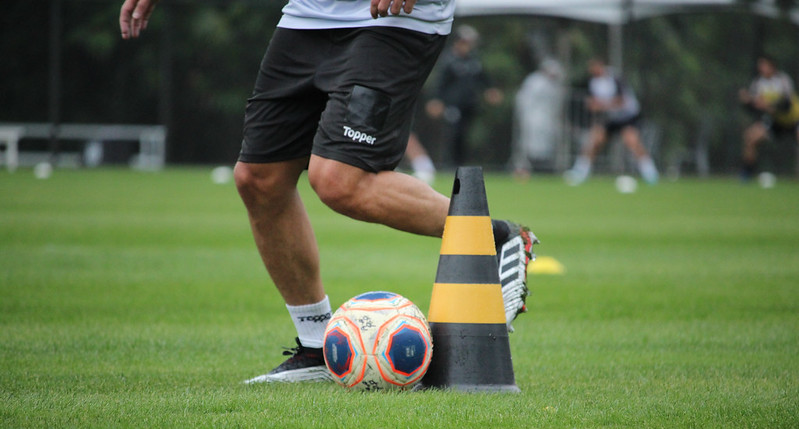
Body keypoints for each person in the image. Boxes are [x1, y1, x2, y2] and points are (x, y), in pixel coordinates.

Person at [120, 0, 538, 384]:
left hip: (393, 19)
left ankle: (495, 237)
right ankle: (317, 347)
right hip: (307, 16)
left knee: (340, 179)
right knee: (259, 179)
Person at [565, 57, 659, 185]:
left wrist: (601, 105)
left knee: (631, 141)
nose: (592, 70)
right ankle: (580, 172)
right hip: (610, 118)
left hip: (627, 116)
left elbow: (621, 101)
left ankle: (650, 173)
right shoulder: (593, 82)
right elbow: (593, 103)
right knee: (594, 142)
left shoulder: (615, 78)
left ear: (601, 65)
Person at [425, 24, 503, 168]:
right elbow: (440, 83)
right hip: (453, 105)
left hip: (470, 105)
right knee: (454, 134)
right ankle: (450, 166)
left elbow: (484, 79)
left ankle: (462, 165)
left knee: (465, 136)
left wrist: (491, 90)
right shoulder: (449, 61)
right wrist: (436, 101)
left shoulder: (474, 61)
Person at [738, 54, 799, 180]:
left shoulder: (783, 80)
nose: (761, 68)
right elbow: (753, 107)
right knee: (750, 137)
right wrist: (747, 101)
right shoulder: (758, 83)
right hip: (776, 121)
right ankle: (746, 174)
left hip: (793, 119)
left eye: (764, 65)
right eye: (760, 65)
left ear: (772, 66)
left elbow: (786, 104)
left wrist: (768, 105)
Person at [511, 58, 566, 180]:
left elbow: (557, 104)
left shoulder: (555, 85)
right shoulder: (534, 81)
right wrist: (524, 116)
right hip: (533, 117)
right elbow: (524, 99)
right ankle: (525, 167)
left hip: (548, 119)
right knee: (528, 143)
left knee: (547, 144)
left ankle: (544, 167)